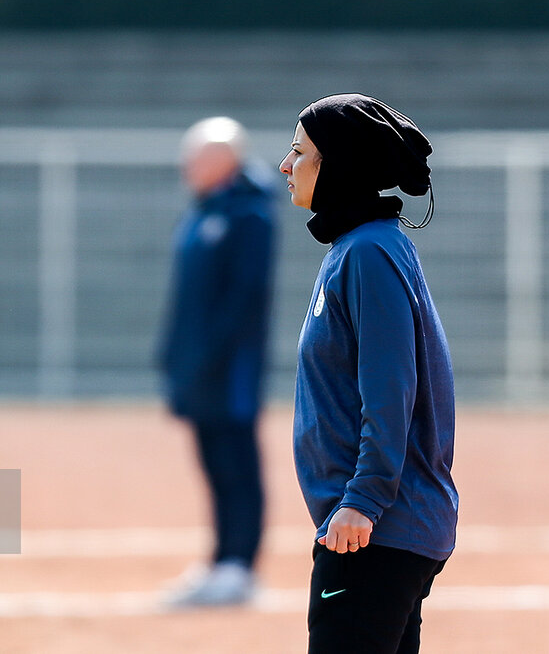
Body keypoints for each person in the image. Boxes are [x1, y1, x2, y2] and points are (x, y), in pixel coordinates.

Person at [279, 94, 457, 653]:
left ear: (338, 165)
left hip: (373, 531)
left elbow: (391, 389)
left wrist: (363, 499)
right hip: (380, 530)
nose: (286, 165)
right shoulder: (360, 247)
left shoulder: (368, 254)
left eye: (299, 152)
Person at [158, 116, 277, 607]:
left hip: (231, 372)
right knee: (212, 462)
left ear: (225, 159)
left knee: (237, 464)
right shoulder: (204, 211)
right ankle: (220, 558)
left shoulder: (250, 215)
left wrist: (212, 355)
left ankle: (240, 566)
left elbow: (243, 299)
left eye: (197, 156)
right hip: (198, 367)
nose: (187, 166)